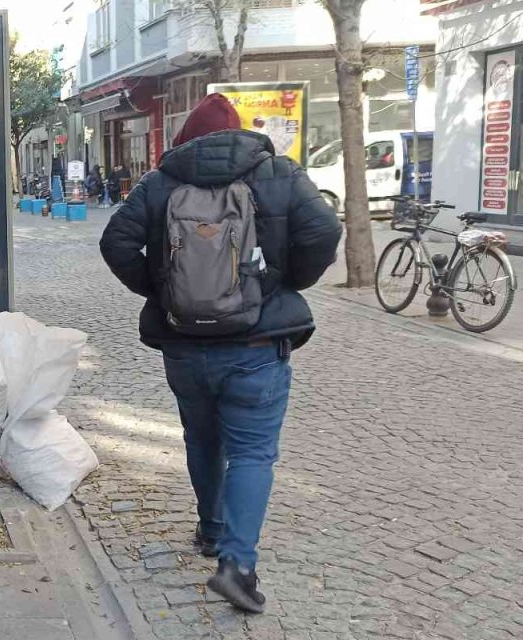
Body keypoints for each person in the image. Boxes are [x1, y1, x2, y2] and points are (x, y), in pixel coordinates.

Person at [98, 94, 342, 614]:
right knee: (252, 452)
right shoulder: (279, 172)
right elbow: (325, 229)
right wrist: (283, 283)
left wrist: (164, 288)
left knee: (202, 438)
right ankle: (236, 565)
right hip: (256, 344)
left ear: (187, 137)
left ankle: (211, 530)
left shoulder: (160, 181)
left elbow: (116, 241)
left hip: (185, 345)